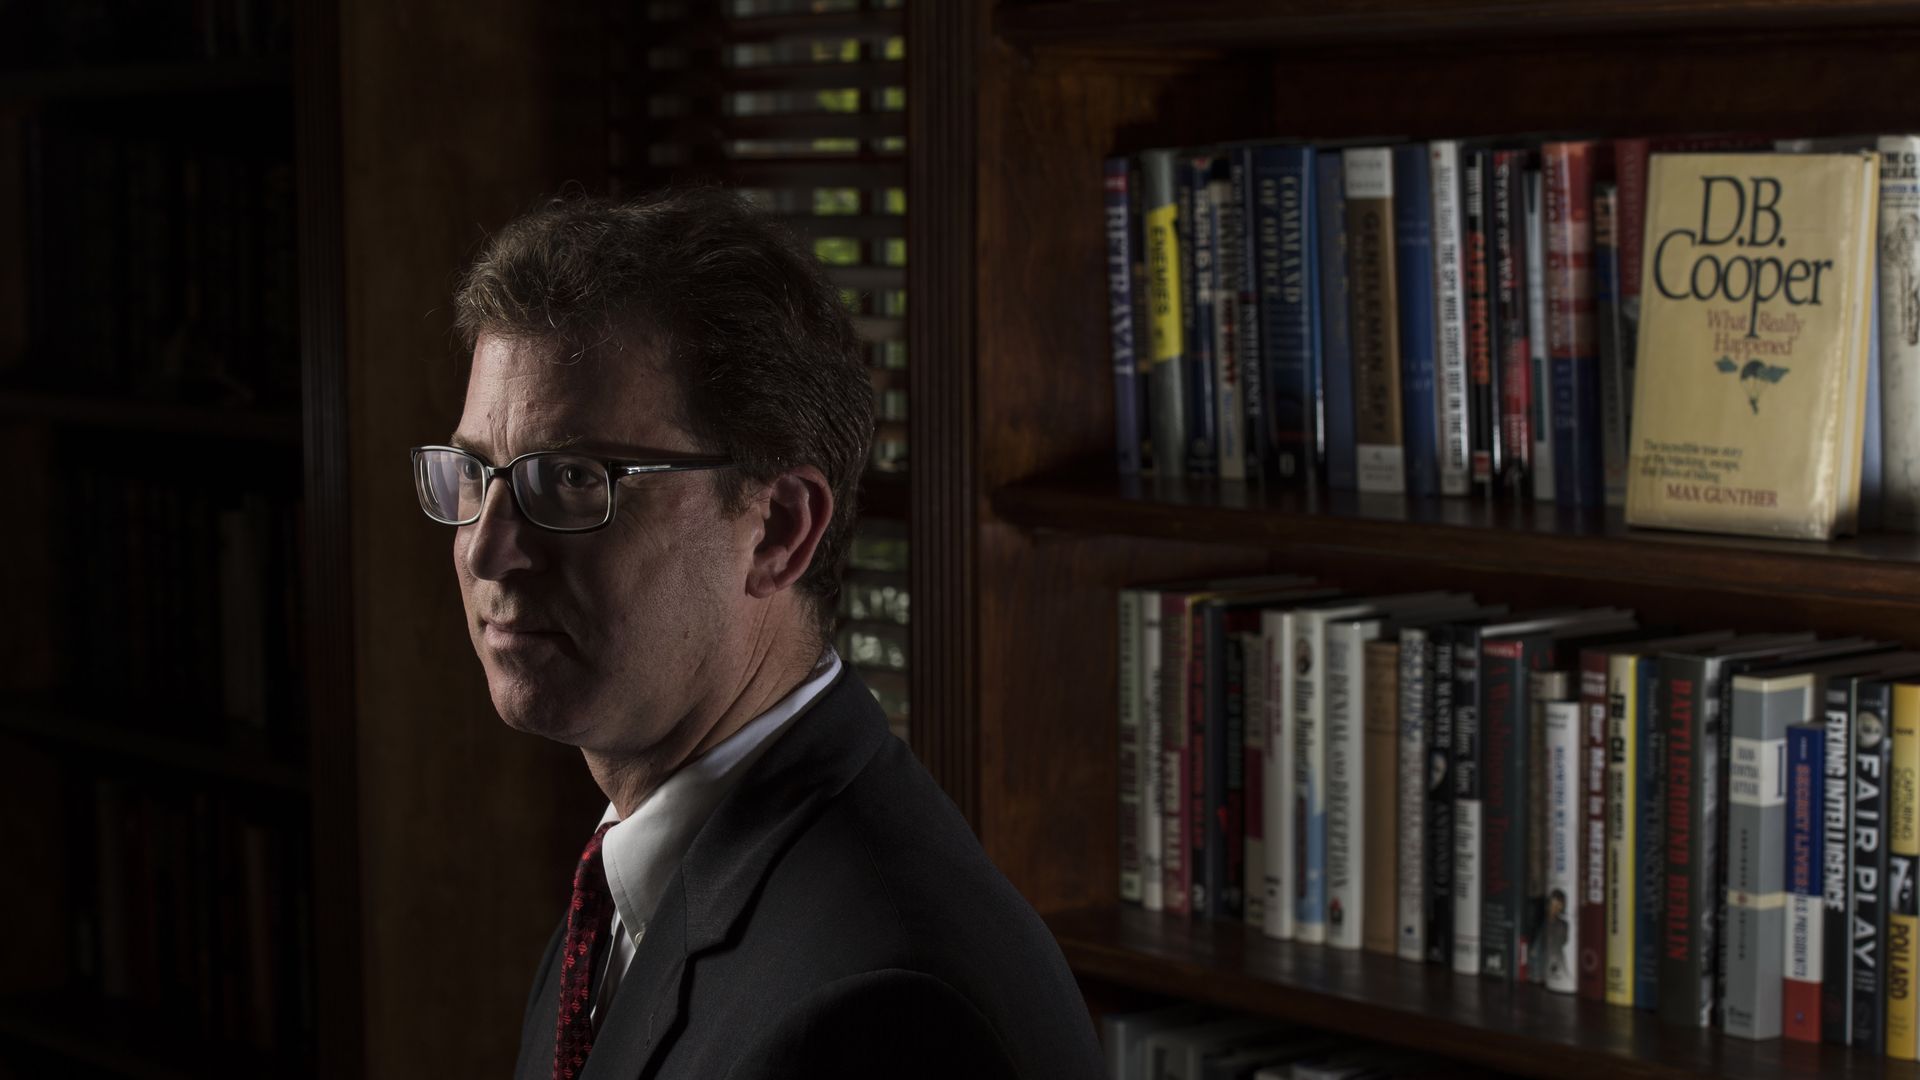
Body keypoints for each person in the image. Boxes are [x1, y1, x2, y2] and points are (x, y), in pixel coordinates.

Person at [410, 187, 1103, 1079]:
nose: (488, 548)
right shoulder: (630, 883)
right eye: (474, 473)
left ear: (778, 530)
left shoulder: (887, 1011)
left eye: (574, 478)